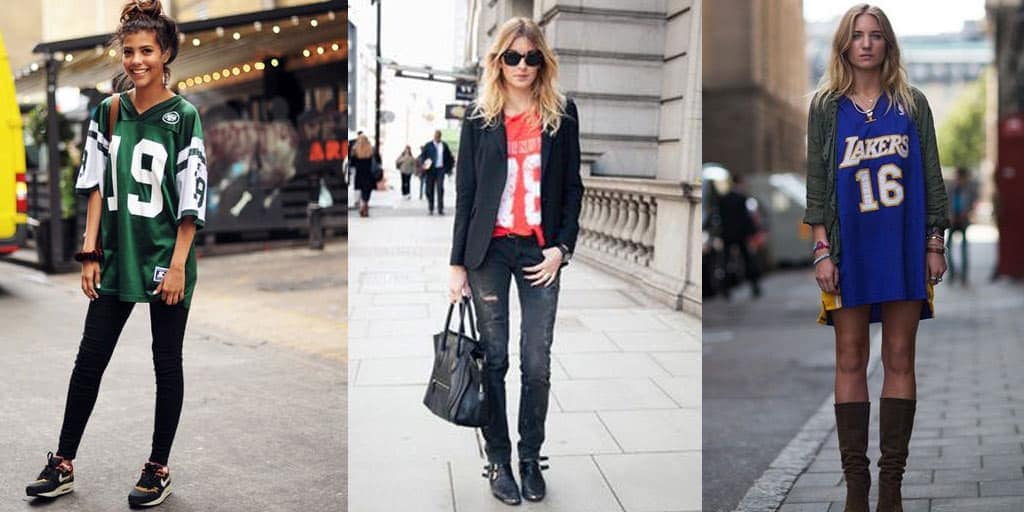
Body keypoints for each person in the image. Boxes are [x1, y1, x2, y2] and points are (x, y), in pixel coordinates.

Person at [25, 0, 207, 507]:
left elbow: (192, 200)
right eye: (129, 51)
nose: (137, 60)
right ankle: (62, 463)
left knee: (166, 364)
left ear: (165, 52)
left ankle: (157, 468)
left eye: (147, 50)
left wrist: (177, 266)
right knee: (89, 362)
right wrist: (89, 250)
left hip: (166, 258)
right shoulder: (108, 111)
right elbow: (95, 185)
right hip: (118, 255)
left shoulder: (184, 116)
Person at [804, 5, 948, 512]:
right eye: (857, 36)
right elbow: (817, 184)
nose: (866, 44)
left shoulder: (912, 104)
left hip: (904, 245)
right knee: (849, 356)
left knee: (899, 357)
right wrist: (821, 247)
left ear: (888, 45)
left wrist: (935, 241)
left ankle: (892, 489)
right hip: (848, 250)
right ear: (844, 45)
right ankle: (856, 491)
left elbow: (931, 175)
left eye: (876, 35)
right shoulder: (825, 106)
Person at [448, 16, 583, 506]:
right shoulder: (479, 117)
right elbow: (465, 194)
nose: (522, 66)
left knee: (536, 363)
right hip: (488, 251)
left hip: (539, 251)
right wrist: (456, 264)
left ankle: (530, 458)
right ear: (498, 61)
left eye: (530, 57)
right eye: (512, 57)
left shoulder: (562, 114)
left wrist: (561, 249)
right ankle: (499, 459)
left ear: (542, 60)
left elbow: (572, 189)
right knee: (496, 359)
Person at [717, 175, 761, 298]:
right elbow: (747, 218)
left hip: (727, 235)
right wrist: (752, 232)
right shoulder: (742, 199)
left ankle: (725, 290)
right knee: (747, 260)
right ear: (739, 183)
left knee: (726, 262)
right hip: (741, 235)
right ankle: (755, 287)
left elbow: (720, 217)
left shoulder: (723, 199)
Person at [945, 167, 977, 285]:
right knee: (948, 248)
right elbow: (945, 203)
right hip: (952, 221)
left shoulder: (970, 188)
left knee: (964, 249)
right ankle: (952, 274)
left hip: (963, 221)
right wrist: (949, 215)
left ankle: (964, 276)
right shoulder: (951, 188)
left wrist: (968, 212)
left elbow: (973, 203)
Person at [419, 129, 454, 215]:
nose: (437, 137)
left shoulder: (444, 145)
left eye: (439, 136)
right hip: (431, 170)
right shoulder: (428, 145)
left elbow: (449, 157)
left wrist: (448, 169)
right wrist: (424, 164)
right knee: (429, 189)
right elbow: (422, 156)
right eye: (436, 136)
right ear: (434, 136)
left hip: (440, 169)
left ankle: (440, 208)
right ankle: (431, 207)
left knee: (440, 188)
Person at [350, 134, 377, 217]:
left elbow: (352, 163)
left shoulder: (355, 150)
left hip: (359, 174)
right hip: (369, 174)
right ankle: (365, 204)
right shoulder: (371, 150)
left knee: (361, 190)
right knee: (367, 191)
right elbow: (376, 161)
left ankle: (362, 206)